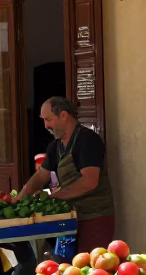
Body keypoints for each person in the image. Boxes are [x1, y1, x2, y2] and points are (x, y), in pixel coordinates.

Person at [16, 96, 115, 254]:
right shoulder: (55, 146)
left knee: (90, 270)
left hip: (94, 218)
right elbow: (41, 176)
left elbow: (90, 181)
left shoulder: (87, 140)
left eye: (49, 119)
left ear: (64, 115)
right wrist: (18, 199)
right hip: (69, 219)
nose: (46, 125)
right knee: (66, 269)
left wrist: (54, 197)